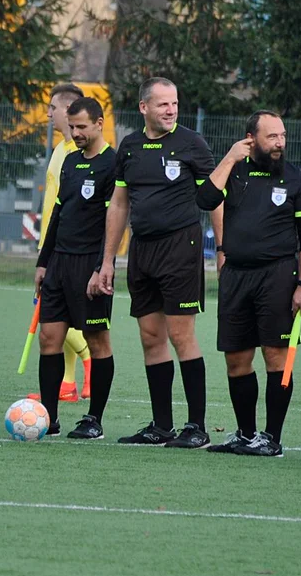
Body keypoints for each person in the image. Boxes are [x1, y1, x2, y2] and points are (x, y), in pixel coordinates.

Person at [97, 77, 220, 448]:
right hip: (142, 251)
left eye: (175, 104)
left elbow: (215, 198)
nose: (171, 110)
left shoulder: (191, 144)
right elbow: (120, 204)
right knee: (151, 337)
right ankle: (161, 426)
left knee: (181, 335)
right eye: (163, 104)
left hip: (180, 247)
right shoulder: (130, 146)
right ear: (144, 108)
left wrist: (225, 248)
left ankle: (196, 427)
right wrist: (108, 259)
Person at [197, 111, 301, 457]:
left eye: (282, 136)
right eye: (272, 137)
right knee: (236, 359)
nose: (280, 143)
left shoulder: (297, 181)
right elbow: (204, 200)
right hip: (235, 276)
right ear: (251, 139)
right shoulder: (233, 172)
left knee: (276, 357)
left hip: (278, 277)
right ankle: (245, 434)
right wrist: (229, 157)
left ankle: (272, 439)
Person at [35, 97, 116, 439]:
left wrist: (102, 266)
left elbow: (114, 223)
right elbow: (57, 215)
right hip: (59, 264)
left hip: (90, 266)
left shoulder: (114, 164)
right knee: (49, 337)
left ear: (99, 123)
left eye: (82, 126)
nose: (76, 133)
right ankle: (49, 418)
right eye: (72, 127)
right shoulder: (69, 161)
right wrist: (43, 262)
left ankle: (93, 419)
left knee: (96, 340)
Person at [29, 83, 92, 403]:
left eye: (52, 108)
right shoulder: (59, 149)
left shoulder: (77, 153)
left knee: (57, 318)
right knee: (58, 316)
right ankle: (66, 384)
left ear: (68, 111)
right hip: (52, 244)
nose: (48, 114)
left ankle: (89, 360)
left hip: (71, 249)